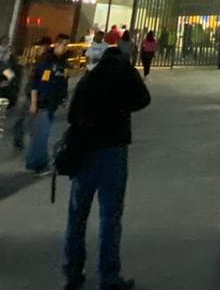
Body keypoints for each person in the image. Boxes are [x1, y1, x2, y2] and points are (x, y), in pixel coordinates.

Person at [62, 44, 151, 290]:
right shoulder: (125, 73)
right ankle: (109, 275)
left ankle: (72, 271)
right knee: (110, 215)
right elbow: (144, 100)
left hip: (84, 151)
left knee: (77, 214)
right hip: (112, 149)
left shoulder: (89, 78)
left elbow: (71, 115)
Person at [26, 36, 70, 174]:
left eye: (67, 45)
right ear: (57, 44)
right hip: (42, 102)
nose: (66, 48)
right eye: (64, 45)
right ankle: (38, 164)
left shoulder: (62, 62)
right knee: (41, 135)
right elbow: (35, 83)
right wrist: (33, 103)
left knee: (43, 134)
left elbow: (63, 81)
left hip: (52, 102)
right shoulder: (46, 61)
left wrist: (63, 98)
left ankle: (37, 161)